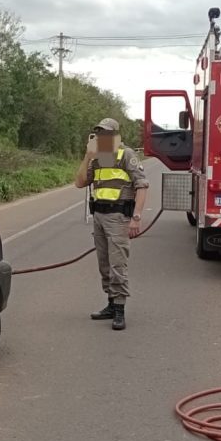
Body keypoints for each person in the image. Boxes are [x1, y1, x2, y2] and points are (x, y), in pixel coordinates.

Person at [74, 117, 149, 331]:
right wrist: (88, 156)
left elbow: (142, 185)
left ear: (115, 135)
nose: (101, 137)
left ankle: (119, 311)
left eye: (106, 133)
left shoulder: (126, 155)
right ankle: (110, 303)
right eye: (99, 133)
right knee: (104, 264)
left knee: (118, 265)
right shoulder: (99, 157)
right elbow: (79, 183)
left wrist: (136, 217)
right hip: (99, 216)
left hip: (118, 218)